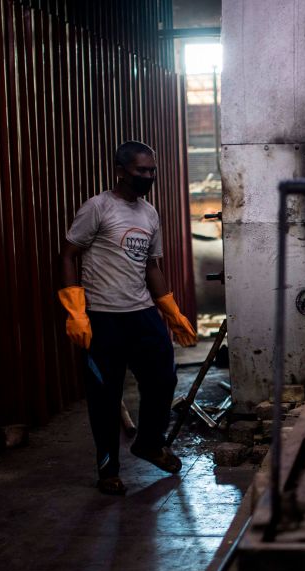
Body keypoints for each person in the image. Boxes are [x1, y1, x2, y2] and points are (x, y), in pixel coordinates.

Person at [58, 141, 198, 496]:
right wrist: (76, 309)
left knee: (164, 379)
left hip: (142, 315)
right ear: (121, 171)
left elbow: (151, 265)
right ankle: (108, 470)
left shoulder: (150, 214)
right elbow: (69, 254)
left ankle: (149, 442)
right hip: (103, 319)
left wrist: (170, 310)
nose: (149, 177)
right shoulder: (97, 208)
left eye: (152, 171)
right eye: (141, 171)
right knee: (104, 396)